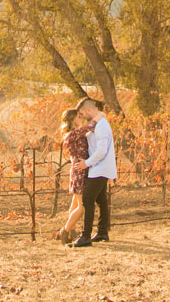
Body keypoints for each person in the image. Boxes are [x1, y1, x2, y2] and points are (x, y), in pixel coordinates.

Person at [70, 97, 116, 247]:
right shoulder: (98, 124)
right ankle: (102, 232)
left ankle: (85, 236)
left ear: (88, 110)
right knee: (101, 200)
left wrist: (86, 164)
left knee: (87, 199)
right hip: (99, 168)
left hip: (99, 168)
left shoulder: (101, 126)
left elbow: (101, 150)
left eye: (82, 114)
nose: (82, 118)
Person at [54, 108, 99, 244]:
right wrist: (99, 116)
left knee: (75, 203)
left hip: (79, 170)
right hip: (80, 171)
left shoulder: (72, 134)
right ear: (72, 120)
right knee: (82, 206)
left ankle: (71, 230)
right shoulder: (72, 134)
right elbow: (90, 126)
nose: (81, 119)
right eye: (78, 117)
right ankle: (65, 231)